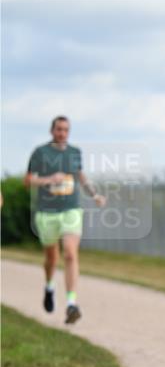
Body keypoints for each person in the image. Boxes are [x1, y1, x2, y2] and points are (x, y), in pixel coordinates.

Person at [24, 116, 106, 324]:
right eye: (59, 129)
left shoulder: (75, 153)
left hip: (71, 210)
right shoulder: (40, 153)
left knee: (70, 253)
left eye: (66, 130)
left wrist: (94, 194)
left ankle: (71, 304)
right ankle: (49, 286)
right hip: (47, 212)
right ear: (52, 131)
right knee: (52, 258)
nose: (62, 133)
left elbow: (81, 177)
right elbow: (28, 180)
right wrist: (49, 179)